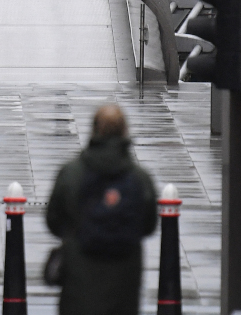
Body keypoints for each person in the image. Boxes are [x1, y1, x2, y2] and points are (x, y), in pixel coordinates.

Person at [46, 105, 158, 315]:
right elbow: (149, 225)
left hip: (80, 283)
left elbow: (53, 220)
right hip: (123, 287)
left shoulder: (72, 173)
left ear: (94, 130)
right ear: (125, 131)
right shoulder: (139, 178)